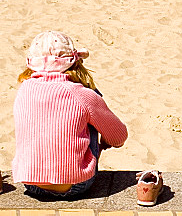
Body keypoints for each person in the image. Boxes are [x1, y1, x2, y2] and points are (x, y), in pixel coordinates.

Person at [12, 30, 128, 200]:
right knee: (91, 109)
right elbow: (119, 137)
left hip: (31, 183)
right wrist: (108, 140)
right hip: (76, 184)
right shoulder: (80, 94)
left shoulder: (24, 90)